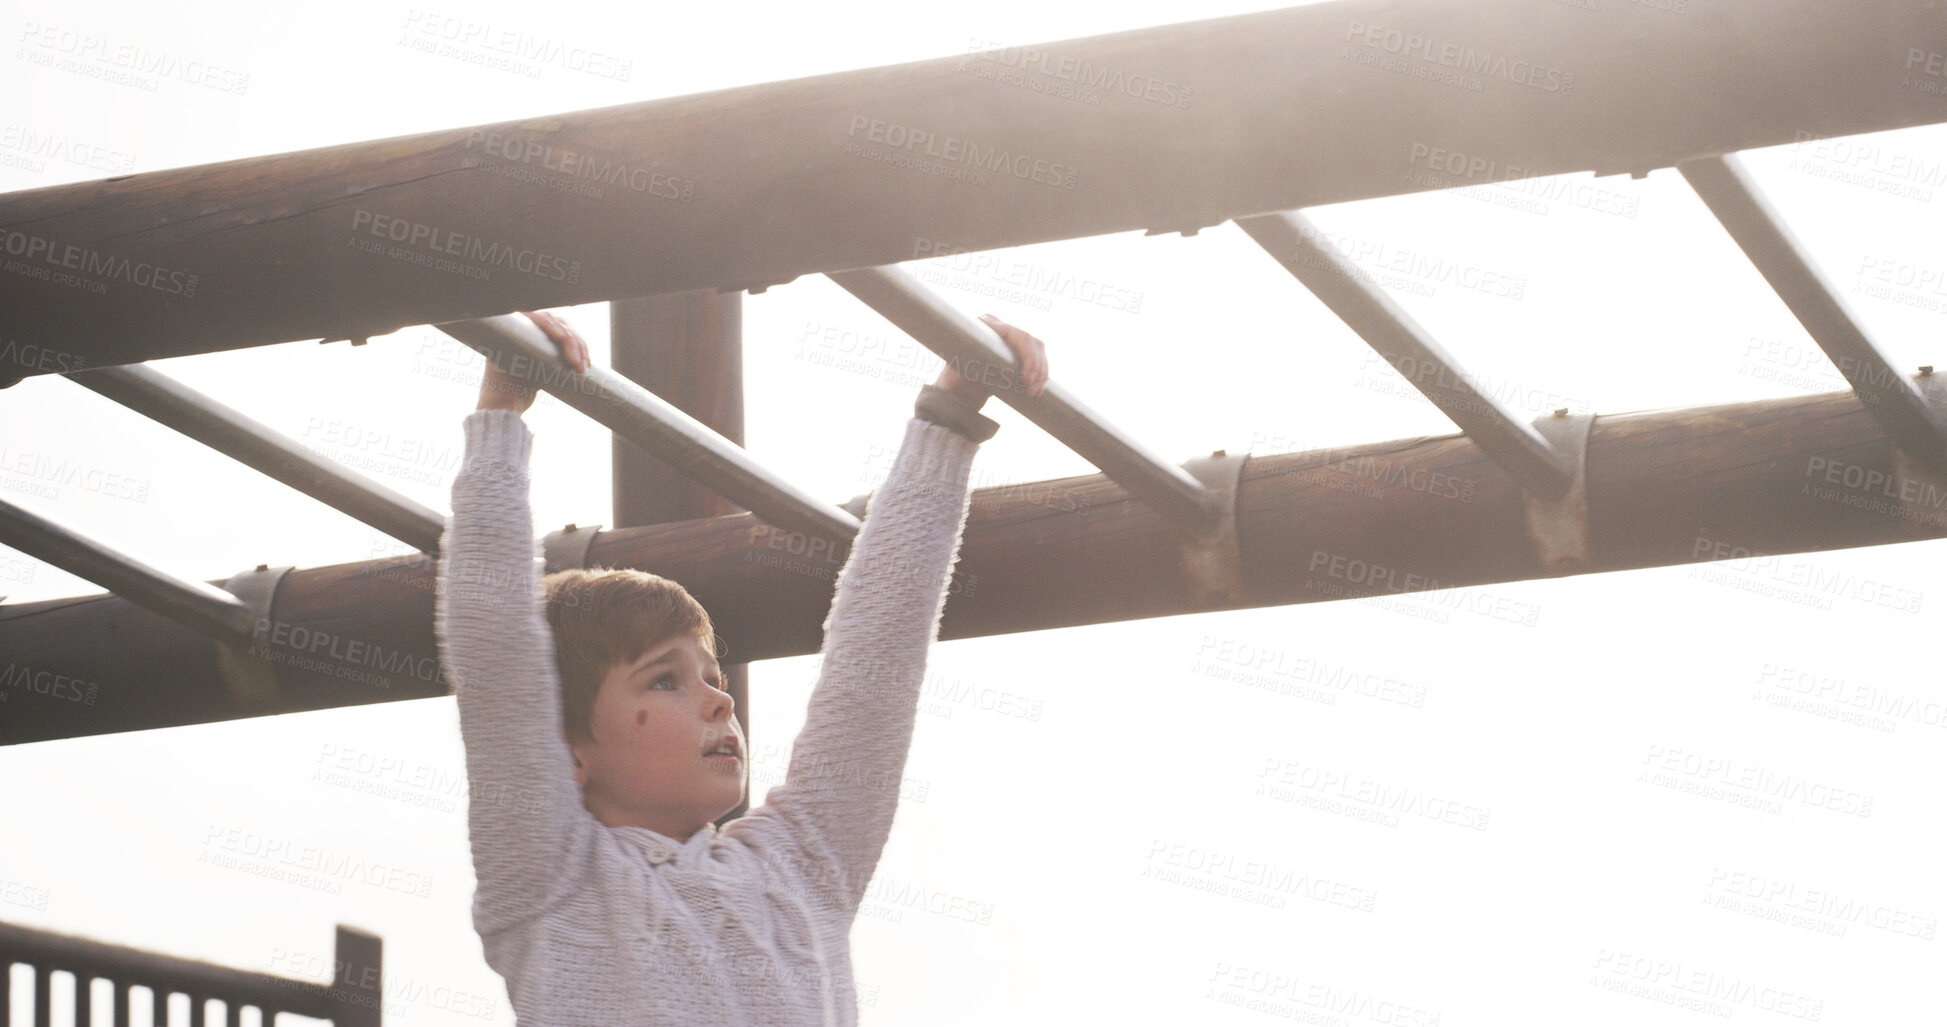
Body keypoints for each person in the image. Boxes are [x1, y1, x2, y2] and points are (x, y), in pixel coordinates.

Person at [435, 307, 1048, 1025]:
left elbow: (877, 661)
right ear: (565, 750)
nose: (719, 703)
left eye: (713, 679)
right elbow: (495, 654)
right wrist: (499, 416)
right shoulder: (552, 879)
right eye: (664, 679)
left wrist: (949, 413)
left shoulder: (801, 868)